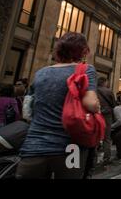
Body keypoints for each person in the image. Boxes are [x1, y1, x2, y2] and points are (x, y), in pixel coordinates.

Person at [16, 32, 100, 179]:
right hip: (71, 147)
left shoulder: (41, 72)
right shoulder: (85, 69)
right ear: (83, 51)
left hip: (34, 146)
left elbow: (27, 110)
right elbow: (91, 103)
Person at [96, 77, 116, 165]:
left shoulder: (94, 91)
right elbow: (113, 104)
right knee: (106, 138)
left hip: (97, 114)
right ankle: (106, 158)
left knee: (95, 136)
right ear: (104, 82)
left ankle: (93, 158)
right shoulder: (109, 91)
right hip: (107, 115)